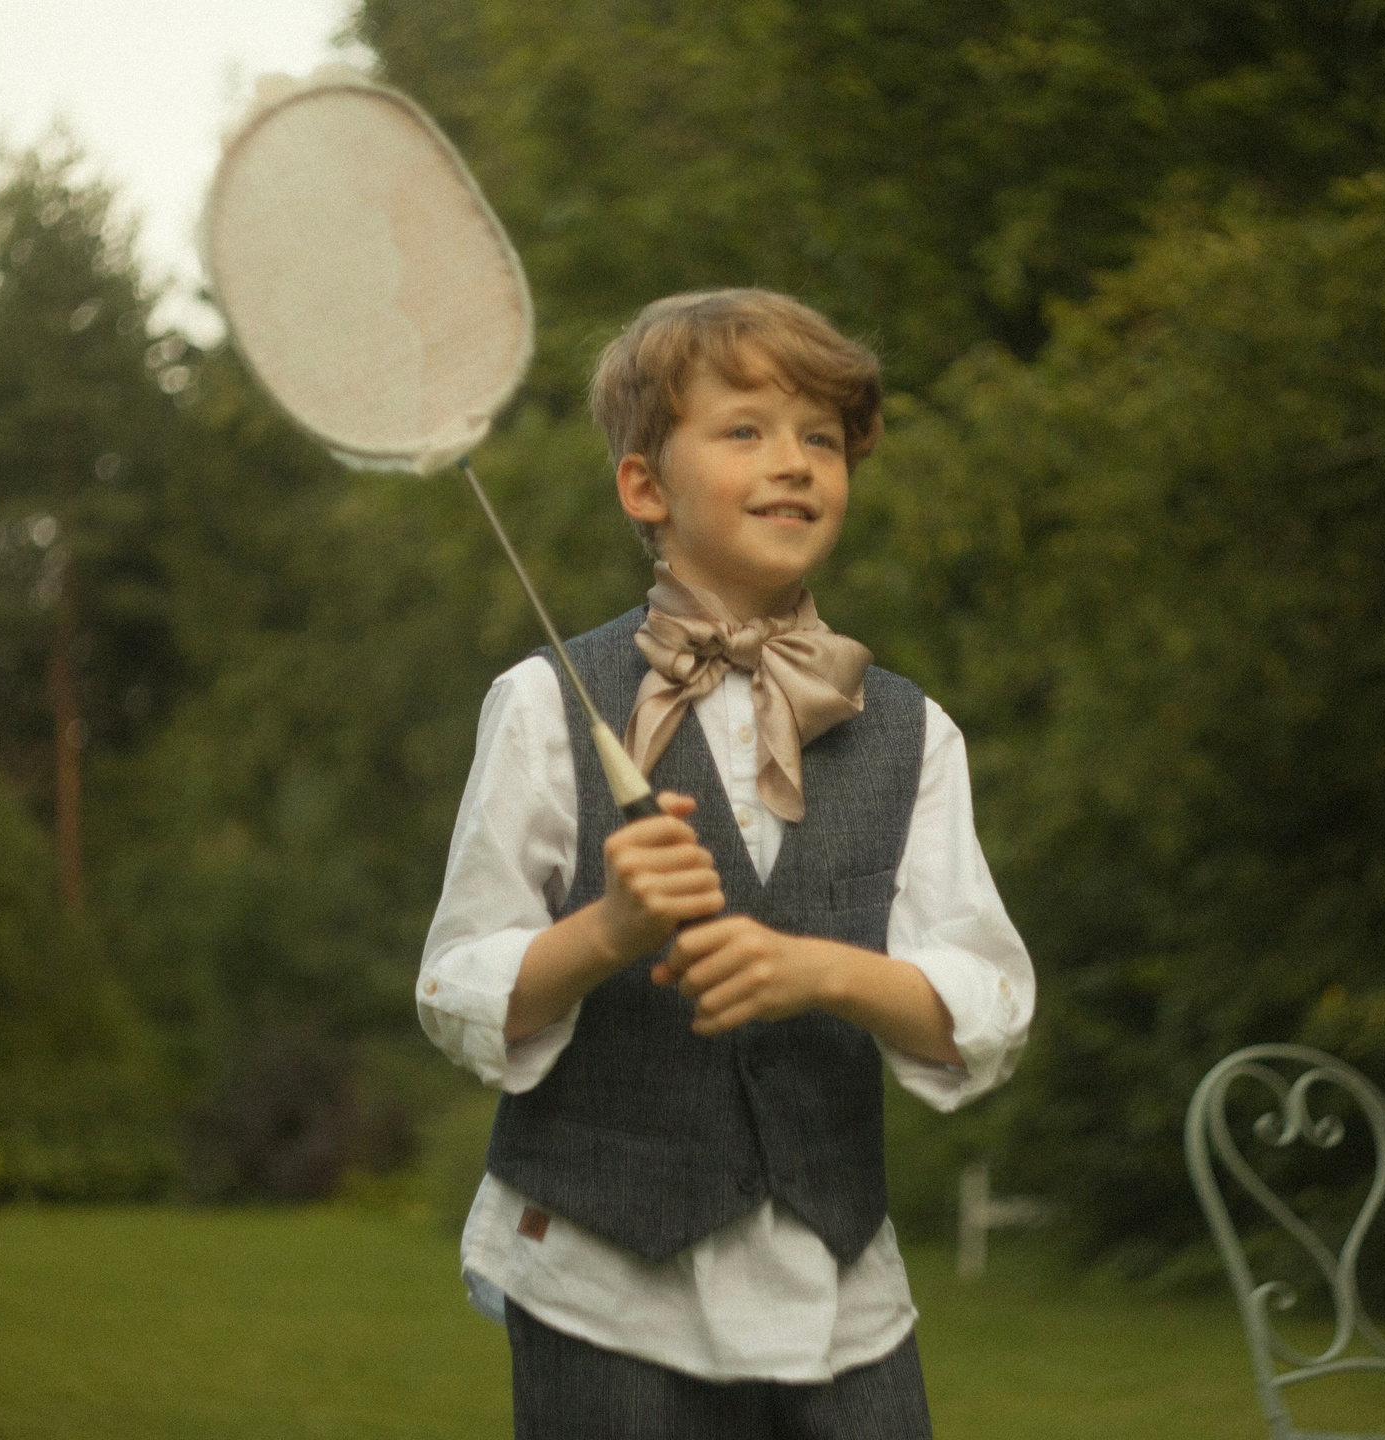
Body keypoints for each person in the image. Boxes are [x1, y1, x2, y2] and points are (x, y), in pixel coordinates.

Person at [418, 287, 1034, 1439]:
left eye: (821, 437)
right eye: (745, 429)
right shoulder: (545, 701)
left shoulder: (911, 729)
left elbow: (986, 1005)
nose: (794, 462)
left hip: (844, 1295)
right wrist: (605, 933)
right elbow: (457, 986)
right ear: (646, 487)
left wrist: (825, 976)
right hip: (606, 1291)